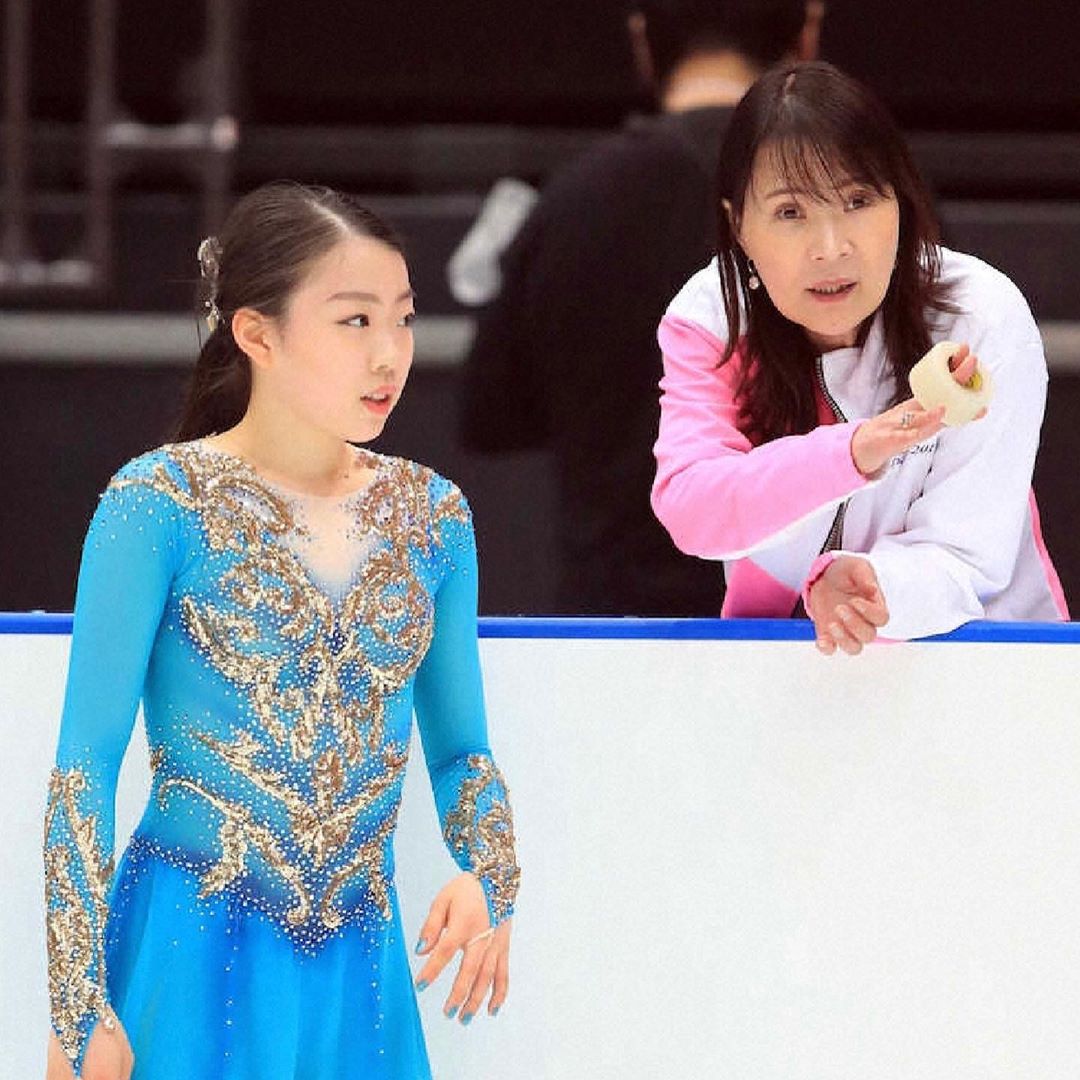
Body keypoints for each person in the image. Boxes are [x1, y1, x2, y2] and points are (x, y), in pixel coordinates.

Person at [43, 182, 520, 1080]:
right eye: (354, 321)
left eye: (403, 319)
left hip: (357, 968)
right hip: (190, 952)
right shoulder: (159, 504)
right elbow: (84, 769)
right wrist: (78, 1005)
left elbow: (463, 753)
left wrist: (489, 876)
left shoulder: (432, 518)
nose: (389, 354)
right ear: (257, 334)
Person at [651, 61, 1068, 654]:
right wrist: (850, 453)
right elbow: (693, 507)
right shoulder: (713, 318)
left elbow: (969, 553)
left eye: (857, 200)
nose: (830, 248)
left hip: (985, 658)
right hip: (789, 659)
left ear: (900, 203)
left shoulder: (980, 314)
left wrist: (868, 586)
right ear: (737, 224)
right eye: (790, 212)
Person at [461, 1, 823, 616]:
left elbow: (492, 413)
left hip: (618, 622)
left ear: (641, 39)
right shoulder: (865, 196)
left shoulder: (574, 199)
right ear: (806, 34)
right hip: (822, 624)